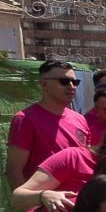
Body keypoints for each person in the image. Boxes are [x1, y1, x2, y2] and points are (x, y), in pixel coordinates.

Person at [6, 60, 91, 188]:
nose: (71, 86)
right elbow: (14, 170)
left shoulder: (80, 119)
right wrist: (28, 205)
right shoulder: (24, 119)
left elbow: (86, 159)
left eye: (75, 82)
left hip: (80, 201)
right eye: (64, 81)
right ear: (43, 84)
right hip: (45, 204)